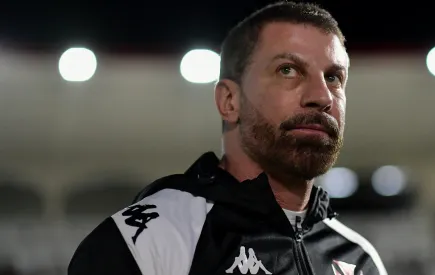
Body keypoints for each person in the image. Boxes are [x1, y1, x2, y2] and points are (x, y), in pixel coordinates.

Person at [68, 2, 388, 275]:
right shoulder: (146, 242)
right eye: (288, 70)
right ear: (229, 101)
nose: (322, 96)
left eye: (333, 77)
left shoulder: (361, 261)